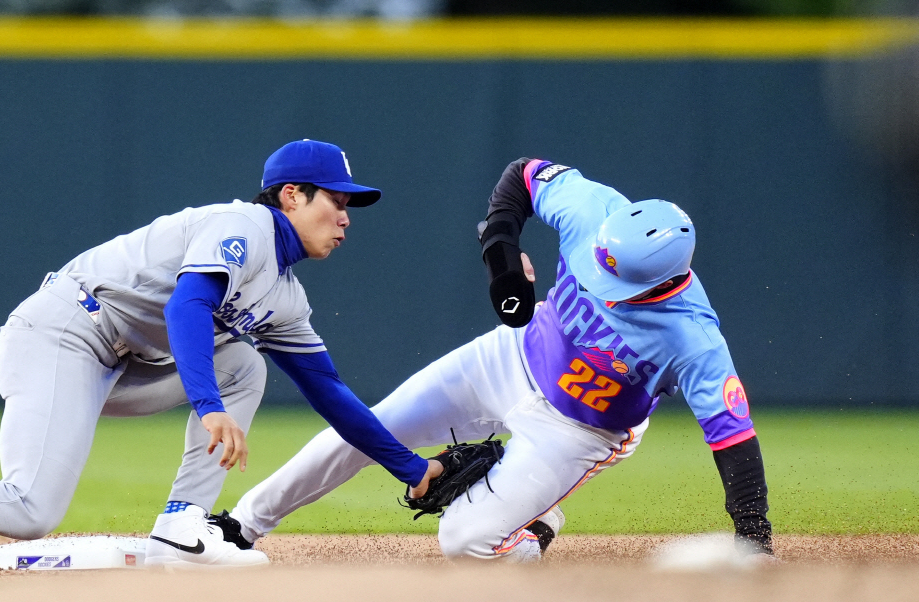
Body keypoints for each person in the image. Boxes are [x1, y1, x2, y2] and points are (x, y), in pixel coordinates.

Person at [0, 140, 442, 573]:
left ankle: (182, 528)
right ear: (292, 195)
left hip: (127, 361)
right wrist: (208, 407)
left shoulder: (287, 298)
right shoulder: (242, 225)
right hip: (65, 333)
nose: (348, 214)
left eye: (351, 204)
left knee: (246, 362)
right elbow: (188, 308)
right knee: (29, 511)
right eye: (337, 199)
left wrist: (410, 468)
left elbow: (331, 393)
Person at [230, 157, 772, 561]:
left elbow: (734, 440)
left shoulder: (693, 340)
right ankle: (238, 528)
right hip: (509, 355)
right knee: (367, 429)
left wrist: (755, 541)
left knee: (464, 543)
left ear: (662, 282)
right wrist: (502, 257)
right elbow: (522, 176)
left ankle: (537, 526)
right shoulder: (595, 213)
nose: (600, 280)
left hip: (579, 428)